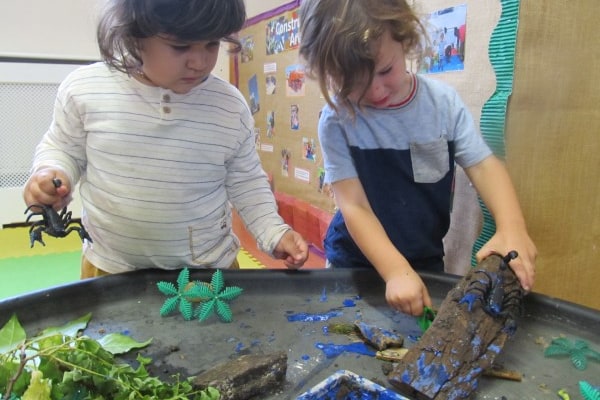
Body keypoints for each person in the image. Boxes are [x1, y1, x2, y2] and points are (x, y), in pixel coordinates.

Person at [23, 0, 309, 278]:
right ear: (134, 35)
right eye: (181, 46)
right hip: (111, 267)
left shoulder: (229, 106)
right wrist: (52, 174)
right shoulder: (84, 90)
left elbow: (246, 180)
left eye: (212, 44)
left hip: (207, 269)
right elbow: (63, 149)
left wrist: (273, 231)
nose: (199, 62)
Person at [298, 0, 536, 316]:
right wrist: (395, 270)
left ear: (405, 39)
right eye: (353, 82)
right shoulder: (336, 120)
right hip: (356, 263)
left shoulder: (443, 105)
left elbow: (483, 165)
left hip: (424, 257)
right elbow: (354, 206)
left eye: (386, 70)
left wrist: (512, 226)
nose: (375, 91)